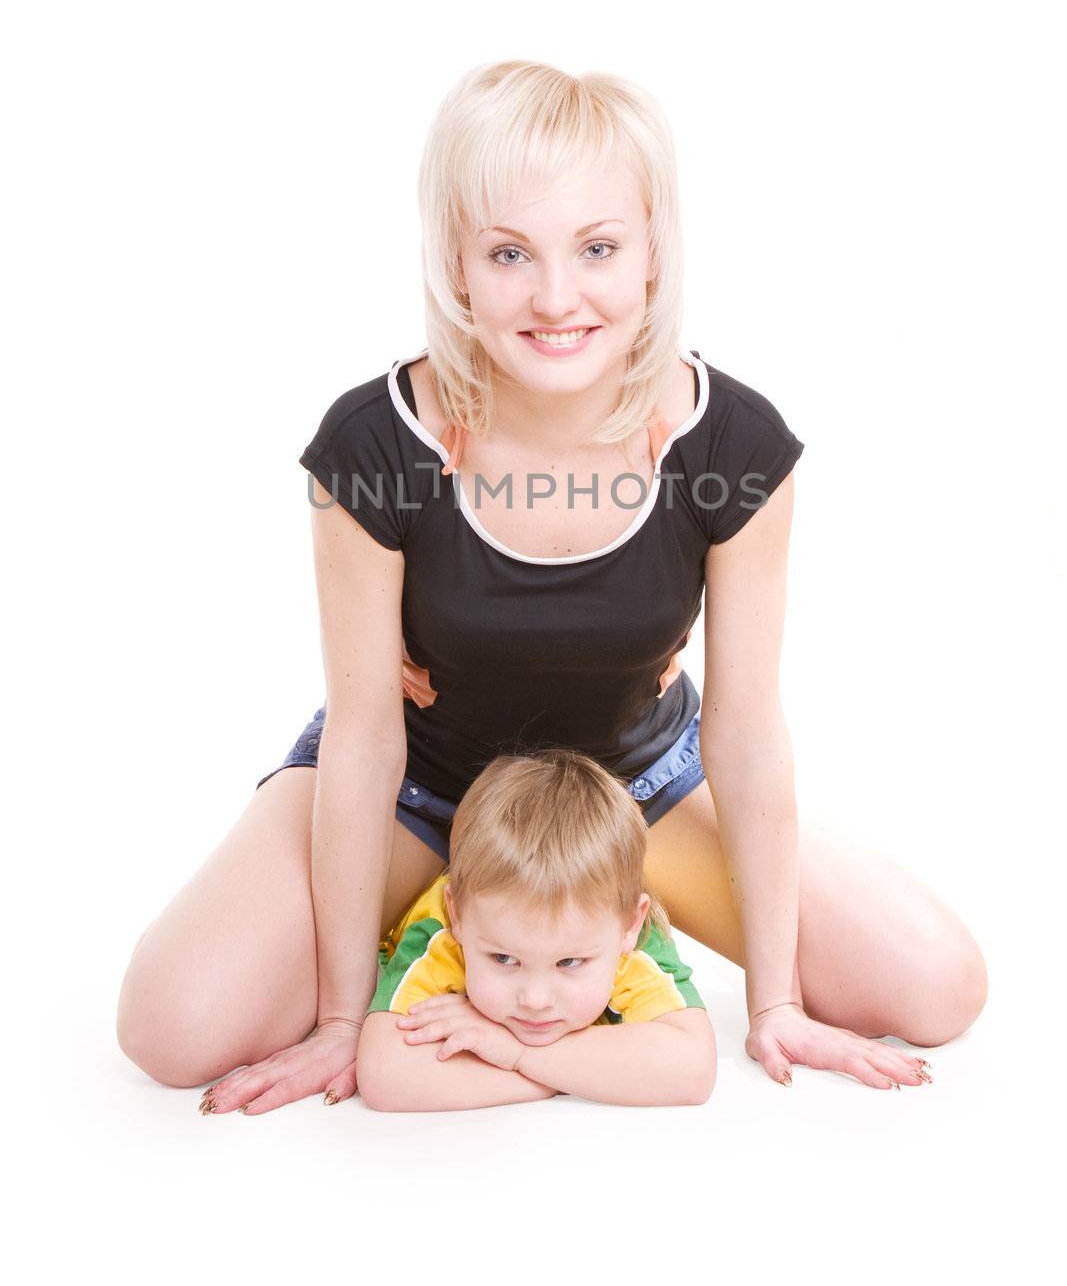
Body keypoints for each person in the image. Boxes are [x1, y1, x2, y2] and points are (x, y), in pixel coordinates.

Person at [116, 60, 984, 1115]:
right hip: (418, 795)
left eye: (598, 248)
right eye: (510, 253)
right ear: (456, 262)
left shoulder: (733, 447)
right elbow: (362, 734)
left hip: (629, 793)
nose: (557, 297)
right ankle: (445, 928)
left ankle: (578, 921)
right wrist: (346, 1025)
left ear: (653, 252)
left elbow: (747, 732)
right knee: (172, 1028)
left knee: (937, 986)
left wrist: (773, 1001)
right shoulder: (372, 447)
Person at [355, 746, 716, 1111]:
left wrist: (517, 1054)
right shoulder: (441, 935)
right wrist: (589, 1074)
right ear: (457, 916)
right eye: (503, 958)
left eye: (570, 962)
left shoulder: (623, 935)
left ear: (630, 925)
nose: (535, 1000)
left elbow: (692, 1068)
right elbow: (386, 1075)